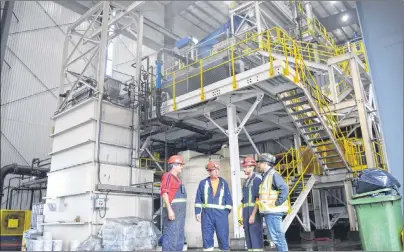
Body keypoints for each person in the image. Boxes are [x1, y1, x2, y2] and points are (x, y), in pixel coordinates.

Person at [194, 161, 233, 251]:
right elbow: (198, 199)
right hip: (207, 214)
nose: (216, 172)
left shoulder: (224, 183)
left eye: (217, 170)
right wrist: (197, 212)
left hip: (221, 214)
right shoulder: (203, 183)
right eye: (214, 170)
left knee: (223, 236)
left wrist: (225, 213)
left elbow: (228, 199)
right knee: (207, 237)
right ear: (209, 171)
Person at [256, 153, 289, 252]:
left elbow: (284, 188)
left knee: (278, 238)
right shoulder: (266, 176)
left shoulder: (273, 175)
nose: (258, 165)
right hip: (269, 212)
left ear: (265, 163)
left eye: (260, 163)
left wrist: (277, 203)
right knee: (276, 238)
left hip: (273, 211)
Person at [160, 155, 187, 251]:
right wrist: (170, 210)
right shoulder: (167, 176)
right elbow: (164, 192)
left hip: (180, 214)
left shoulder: (178, 180)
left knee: (179, 237)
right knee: (170, 236)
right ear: (174, 165)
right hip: (173, 211)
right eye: (180, 165)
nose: (182, 167)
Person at [241, 157, 264, 251]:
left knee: (255, 237)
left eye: (246, 167)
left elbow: (258, 199)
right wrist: (243, 215)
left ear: (251, 167)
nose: (244, 169)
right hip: (246, 212)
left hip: (253, 213)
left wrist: (253, 215)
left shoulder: (257, 180)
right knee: (248, 237)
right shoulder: (246, 182)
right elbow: (244, 201)